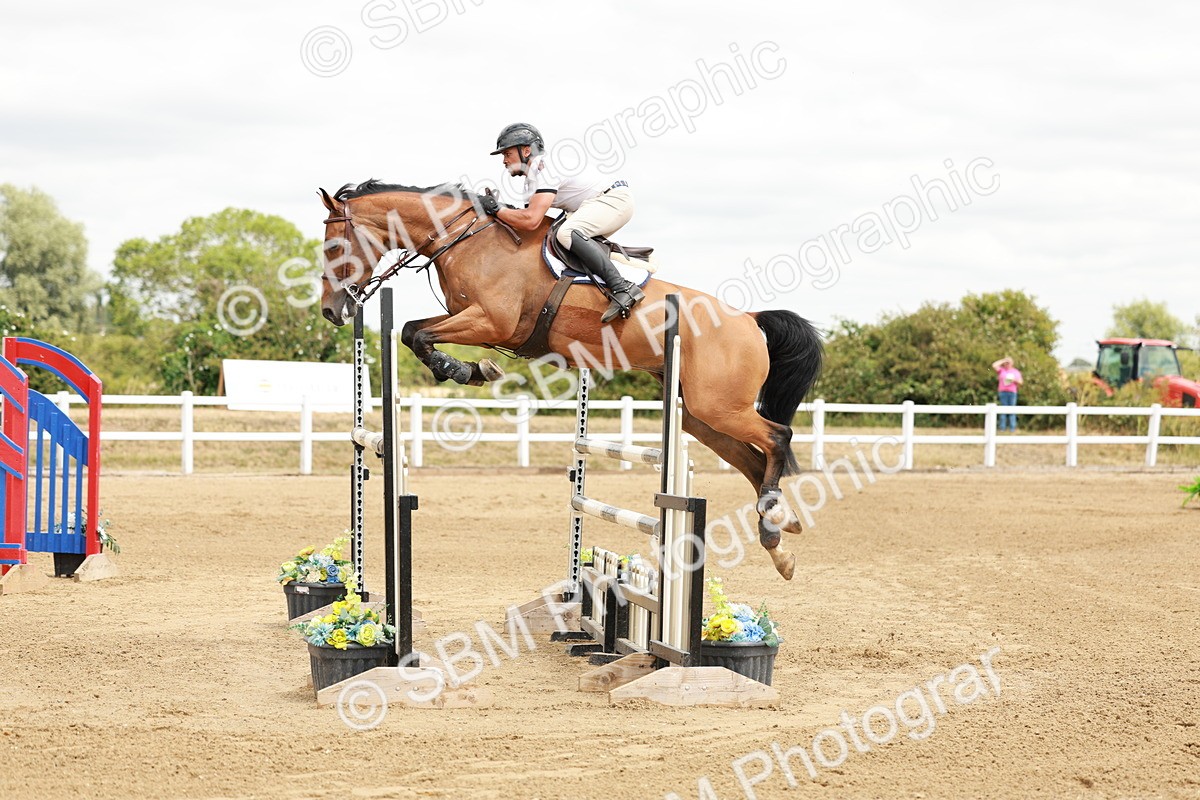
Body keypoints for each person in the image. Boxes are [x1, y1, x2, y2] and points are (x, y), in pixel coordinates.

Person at [477, 122, 644, 323]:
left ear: (526, 151)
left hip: (615, 200)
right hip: (590, 205)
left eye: (507, 154)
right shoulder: (530, 182)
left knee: (566, 233)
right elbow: (525, 221)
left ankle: (622, 287)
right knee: (556, 237)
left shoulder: (546, 168)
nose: (504, 160)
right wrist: (500, 210)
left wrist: (497, 209)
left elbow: (530, 221)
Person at [991, 356, 1024, 432]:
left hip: (1012, 392)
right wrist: (1003, 360)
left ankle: (1012, 428)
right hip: (1003, 392)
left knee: (1012, 410)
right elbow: (994, 365)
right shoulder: (1002, 370)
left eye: (1008, 363)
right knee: (1003, 410)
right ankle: (1002, 428)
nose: (1007, 364)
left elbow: (1021, 382)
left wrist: (1014, 380)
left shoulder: (1015, 372)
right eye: (1006, 363)